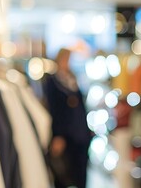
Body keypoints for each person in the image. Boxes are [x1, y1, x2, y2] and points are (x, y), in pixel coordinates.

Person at [43, 48, 92, 188]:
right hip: (65, 135)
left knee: (80, 173)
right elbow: (54, 109)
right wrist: (57, 135)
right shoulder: (53, 82)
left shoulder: (72, 79)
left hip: (80, 134)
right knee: (63, 173)